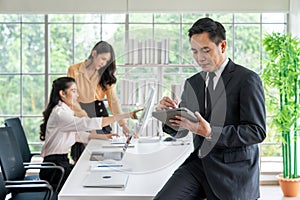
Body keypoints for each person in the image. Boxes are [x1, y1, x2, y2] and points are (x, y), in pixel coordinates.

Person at [154, 17, 266, 200]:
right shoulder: (194, 83)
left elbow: (256, 131)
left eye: (206, 50)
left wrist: (210, 132)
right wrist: (170, 115)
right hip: (200, 165)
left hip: (233, 171)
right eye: (195, 51)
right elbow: (182, 130)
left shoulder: (247, 79)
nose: (200, 58)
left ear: (222, 46)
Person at [39, 77, 141, 192]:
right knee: (88, 183)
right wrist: (126, 115)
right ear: (62, 93)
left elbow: (78, 135)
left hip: (60, 164)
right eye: (73, 91)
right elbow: (87, 123)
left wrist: (104, 137)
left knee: (92, 177)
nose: (77, 95)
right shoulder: (60, 114)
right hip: (54, 169)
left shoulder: (64, 110)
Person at [67, 41, 131, 163]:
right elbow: (72, 99)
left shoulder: (105, 74)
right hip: (80, 114)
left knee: (102, 156)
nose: (103, 63)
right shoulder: (74, 70)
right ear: (94, 53)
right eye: (102, 59)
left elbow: (113, 101)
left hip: (99, 114)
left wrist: (123, 125)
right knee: (80, 158)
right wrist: (86, 120)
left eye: (107, 62)